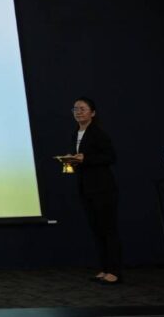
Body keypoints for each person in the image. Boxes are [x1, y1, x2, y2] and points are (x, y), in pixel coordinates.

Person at [67, 96, 122, 285]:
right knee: (97, 229)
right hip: (86, 187)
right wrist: (71, 160)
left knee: (108, 229)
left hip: (102, 188)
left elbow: (110, 157)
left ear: (93, 113)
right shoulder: (76, 133)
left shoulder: (98, 133)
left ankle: (114, 271)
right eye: (75, 109)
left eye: (82, 109)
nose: (78, 112)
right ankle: (104, 268)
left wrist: (85, 159)